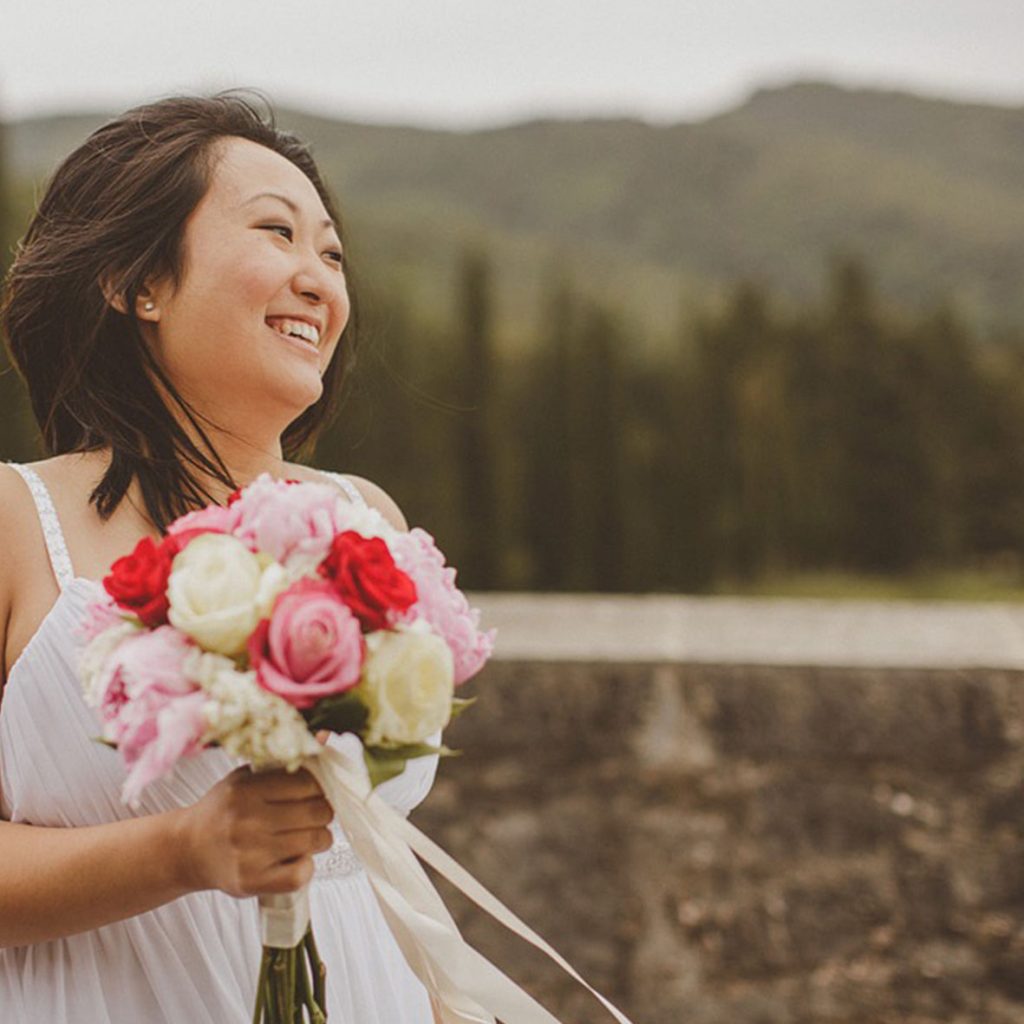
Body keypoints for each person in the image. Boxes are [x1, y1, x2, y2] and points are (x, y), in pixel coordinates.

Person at [0, 92, 441, 1022]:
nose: (319, 278)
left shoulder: (365, 521)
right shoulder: (13, 521)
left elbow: (379, 860)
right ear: (134, 281)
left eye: (331, 251)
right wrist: (181, 850)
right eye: (276, 232)